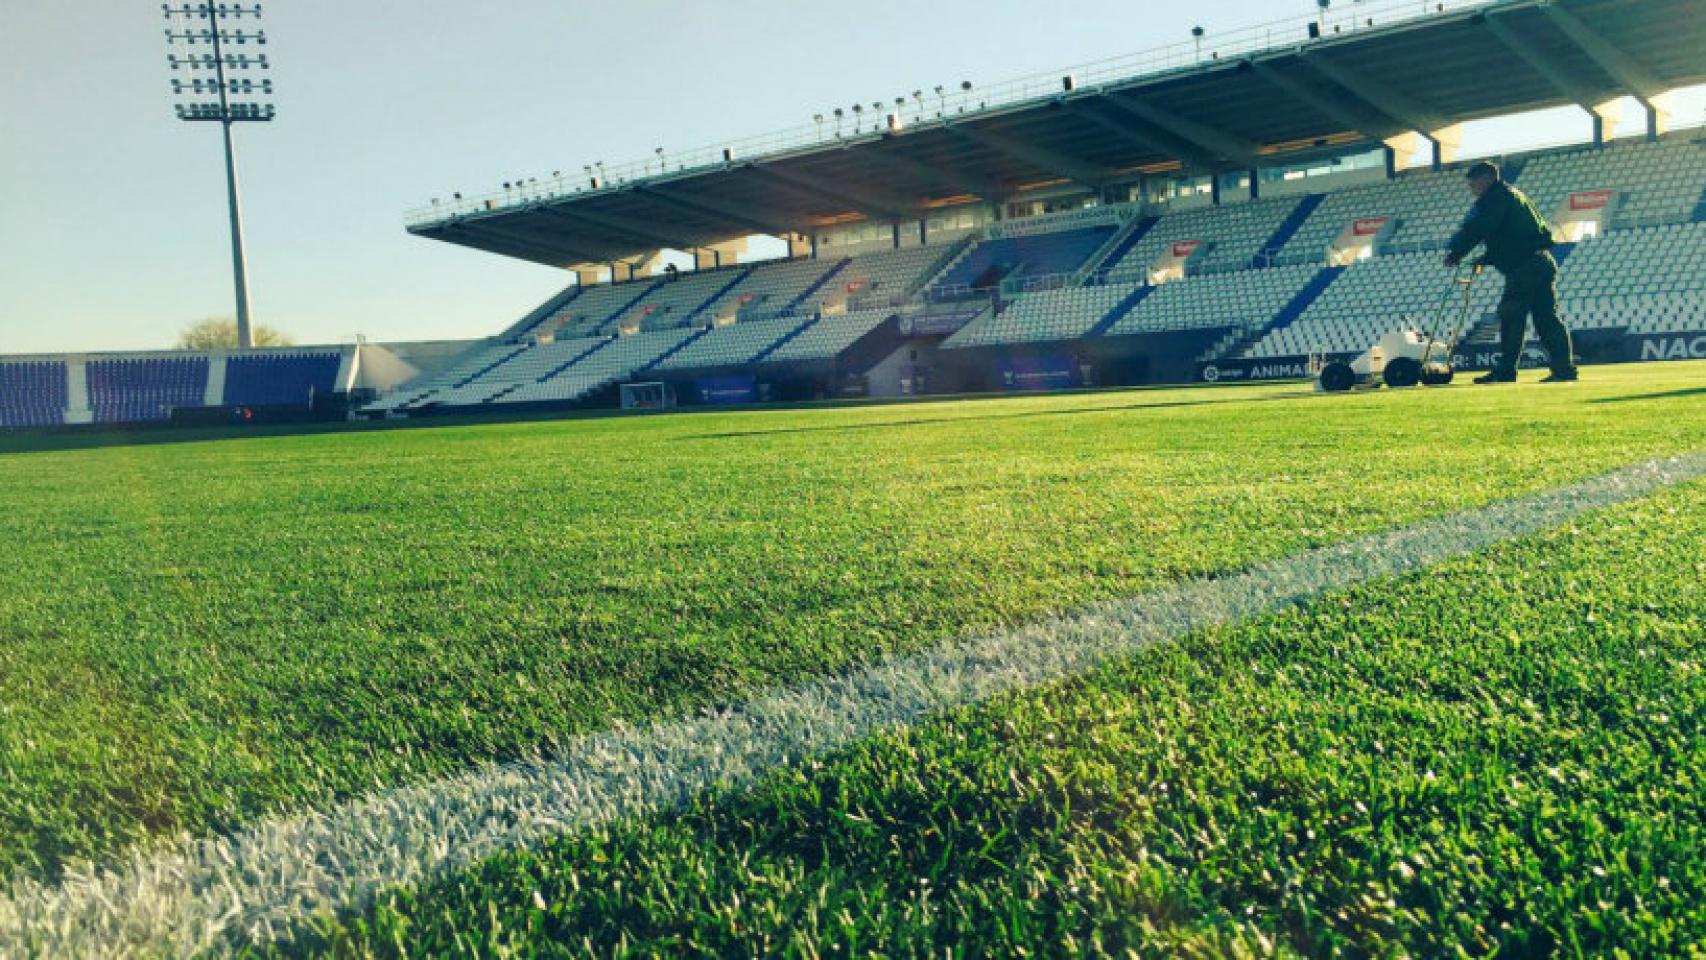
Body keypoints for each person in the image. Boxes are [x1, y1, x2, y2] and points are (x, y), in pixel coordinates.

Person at [1444, 160, 1578, 384]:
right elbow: (1512, 236)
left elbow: (1481, 227)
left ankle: (1506, 370)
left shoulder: (1496, 198)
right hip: (1541, 261)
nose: (1472, 189)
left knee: (1511, 316)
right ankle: (1564, 369)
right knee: (1547, 319)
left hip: (1524, 267)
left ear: (1486, 179)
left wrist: (1456, 252)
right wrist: (1486, 258)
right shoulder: (1513, 195)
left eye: (1474, 184)